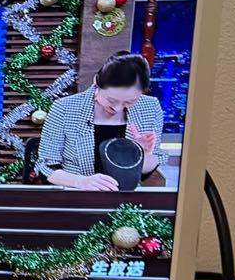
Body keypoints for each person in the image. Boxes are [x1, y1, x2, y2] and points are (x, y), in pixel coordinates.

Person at [35, 51, 166, 190]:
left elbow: (145, 172)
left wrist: (143, 154)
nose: (118, 108)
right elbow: (45, 167)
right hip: (77, 195)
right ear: (96, 82)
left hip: (125, 198)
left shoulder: (150, 107)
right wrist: (82, 182)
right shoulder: (64, 108)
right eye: (112, 100)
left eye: (129, 102)